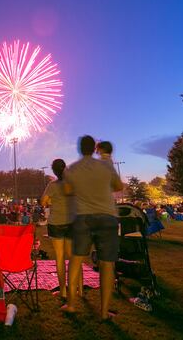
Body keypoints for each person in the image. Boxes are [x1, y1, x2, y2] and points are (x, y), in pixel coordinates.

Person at [62, 136, 123, 319]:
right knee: (107, 264)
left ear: (80, 148)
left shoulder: (72, 168)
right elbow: (118, 186)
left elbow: (67, 191)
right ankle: (104, 312)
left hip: (83, 217)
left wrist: (81, 188)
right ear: (94, 148)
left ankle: (71, 304)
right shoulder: (105, 165)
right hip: (107, 216)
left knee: (76, 261)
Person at [41, 159, 81, 299]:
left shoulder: (52, 185)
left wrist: (52, 201)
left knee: (60, 258)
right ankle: (79, 290)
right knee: (73, 257)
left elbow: (43, 202)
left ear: (54, 171)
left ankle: (63, 291)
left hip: (56, 223)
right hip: (71, 222)